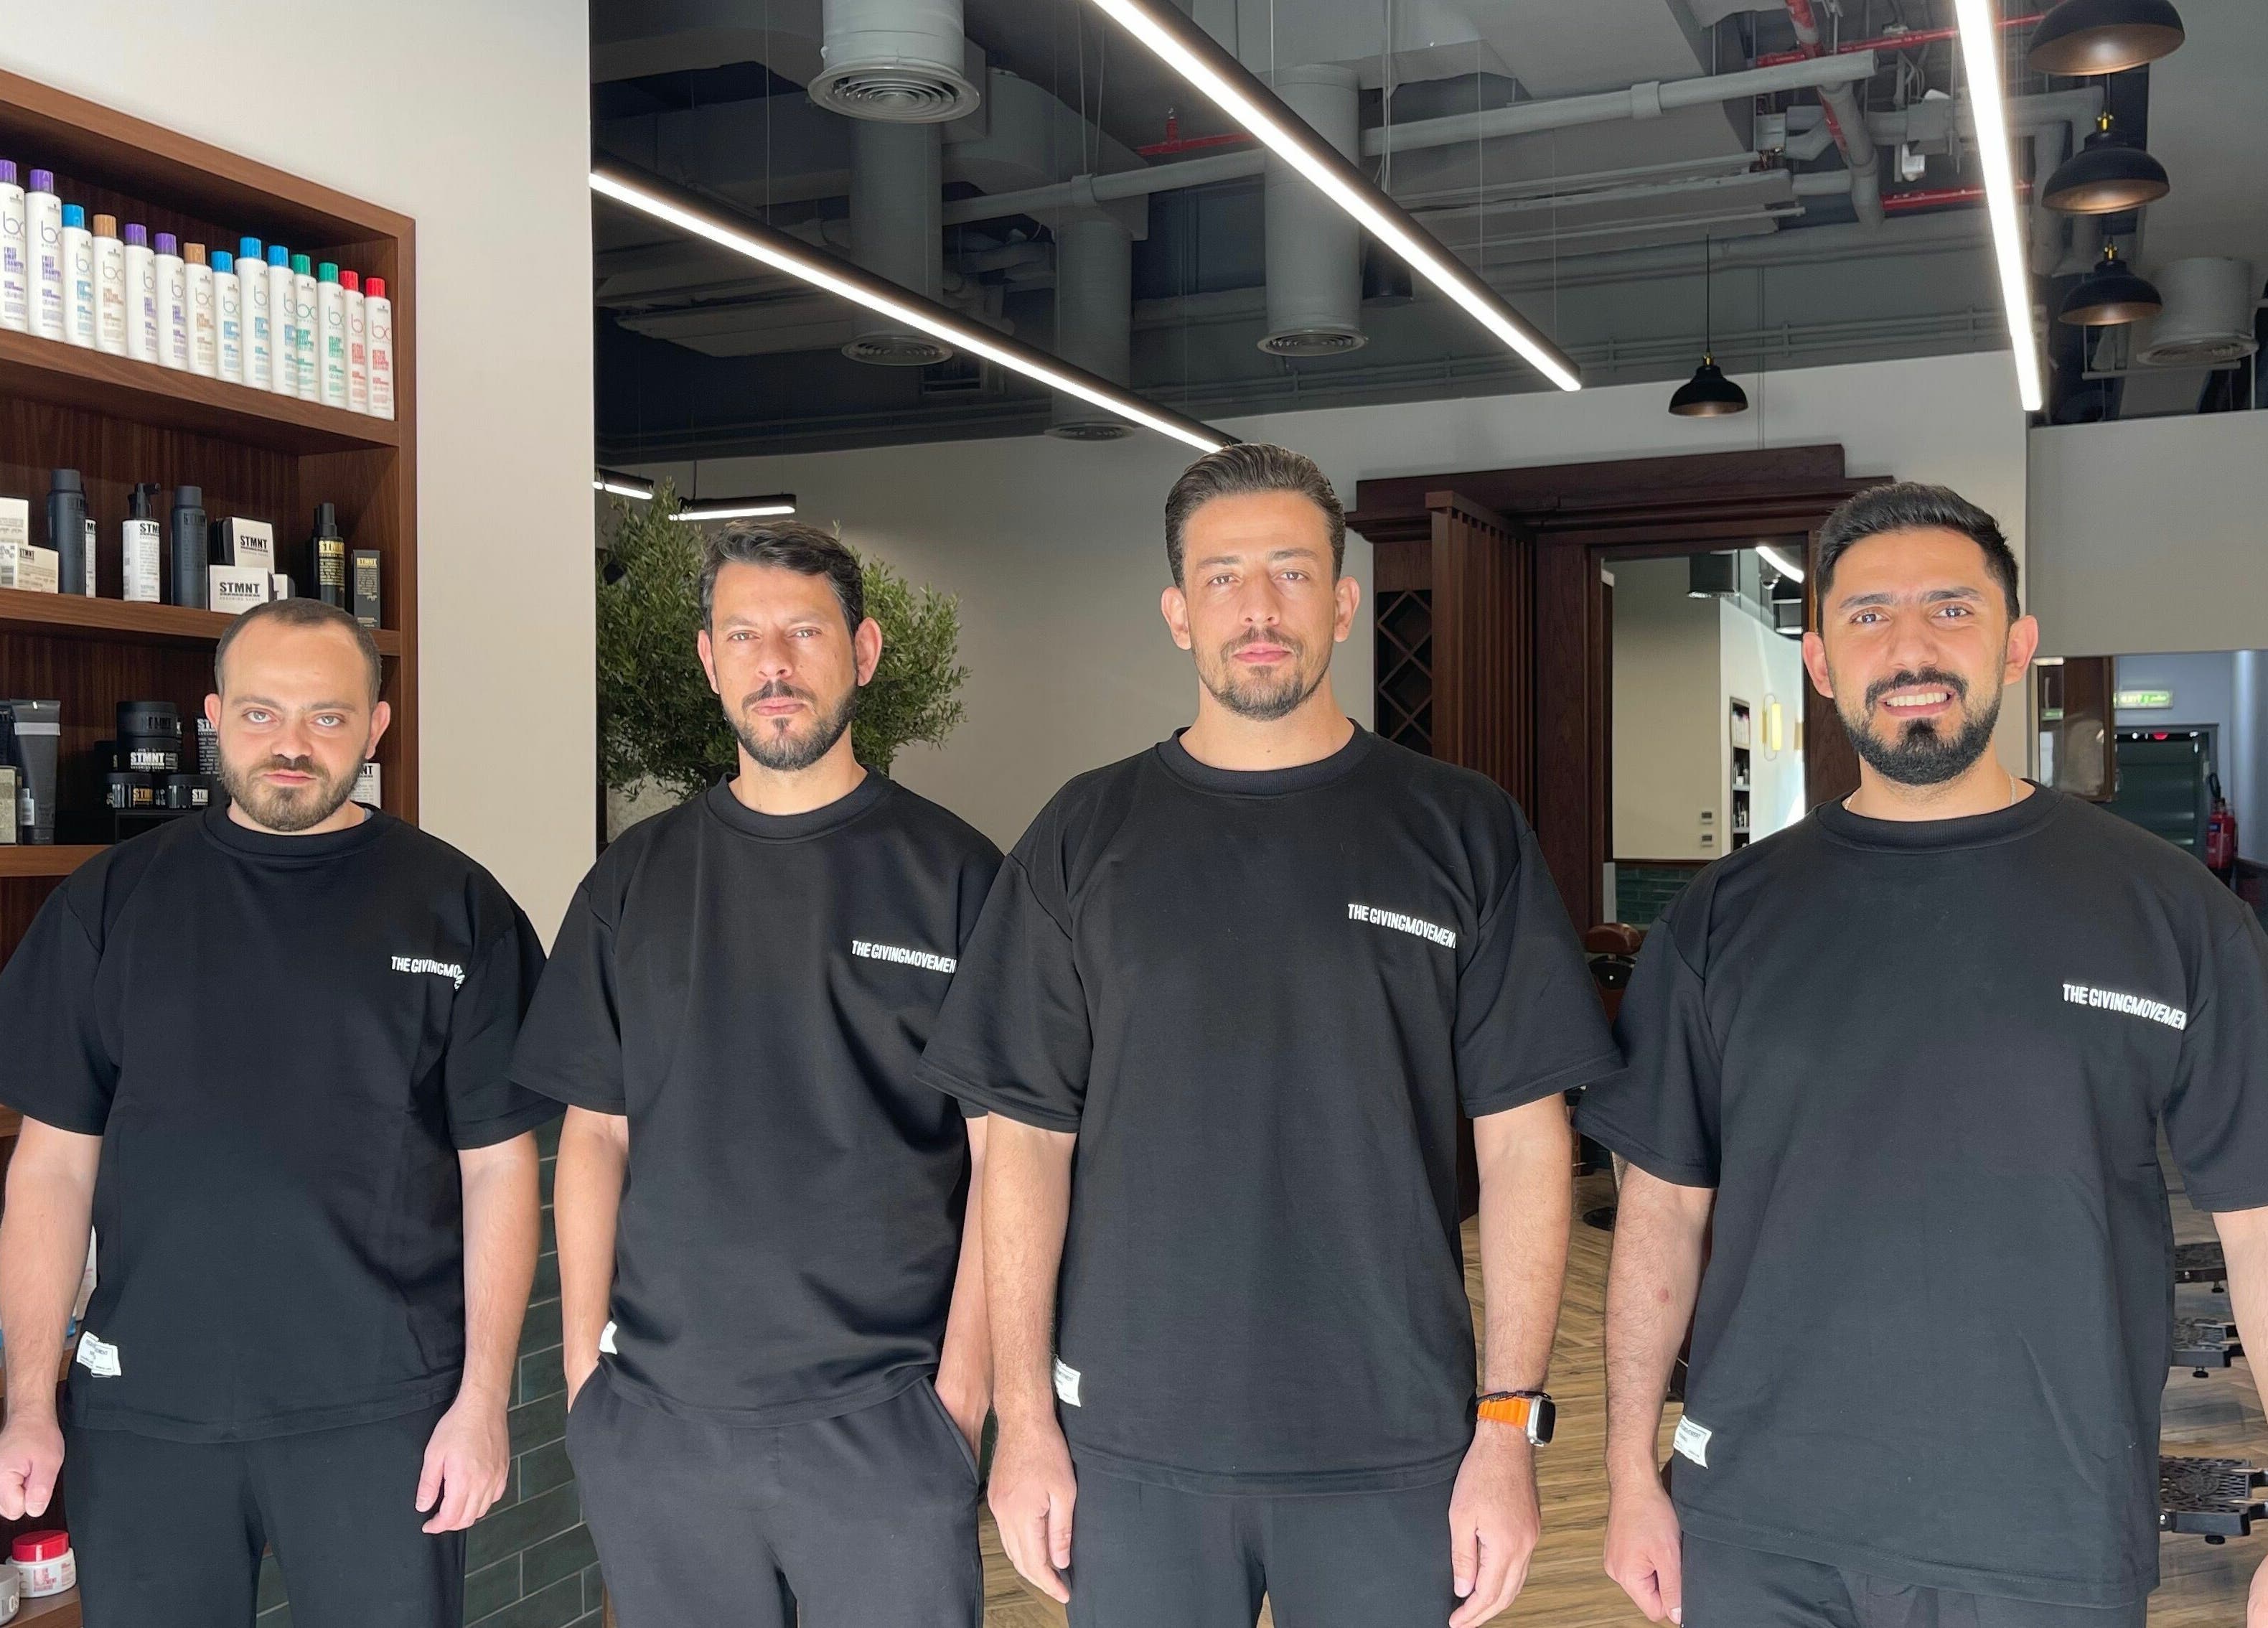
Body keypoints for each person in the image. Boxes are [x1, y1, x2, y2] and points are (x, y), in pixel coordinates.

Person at [919, 443, 1618, 1628]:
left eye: (1290, 574)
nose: (1258, 608)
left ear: (1341, 604)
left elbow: (1523, 1141)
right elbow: (1024, 1146)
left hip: (1394, 1437)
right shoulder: (1083, 837)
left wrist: (1508, 1427)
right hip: (1130, 1442)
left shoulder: (1460, 830)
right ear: (1177, 614)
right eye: (1223, 577)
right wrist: (1024, 1419)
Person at [1587, 483, 2268, 1628]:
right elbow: (1661, 1210)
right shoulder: (1724, 918)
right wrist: (1623, 1474)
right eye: (1869, 616)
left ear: (2017, 645)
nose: (1910, 649)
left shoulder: (2173, 915)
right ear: (1819, 662)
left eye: (1952, 610)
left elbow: (2259, 1227)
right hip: (1757, 1522)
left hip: (2045, 1527)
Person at [0, 597, 554, 1627]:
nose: (291, 745)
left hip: (383, 1413)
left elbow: (500, 1167)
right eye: (260, 714)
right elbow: (52, 1167)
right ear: (214, 719)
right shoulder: (110, 904)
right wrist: (29, 1402)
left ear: (375, 728)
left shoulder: (458, 908)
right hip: (147, 1412)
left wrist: (484, 1402)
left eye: (326, 717)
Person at [512, 521, 999, 1627]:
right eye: (744, 635)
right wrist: (587, 1381)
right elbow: (596, 1134)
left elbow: (1001, 1156)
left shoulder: (958, 877)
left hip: (882, 1425)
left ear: (863, 651)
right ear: (709, 660)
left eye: (803, 632)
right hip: (661, 1425)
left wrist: (962, 1398)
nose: (773, 663)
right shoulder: (632, 881)